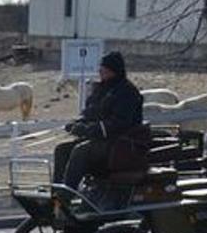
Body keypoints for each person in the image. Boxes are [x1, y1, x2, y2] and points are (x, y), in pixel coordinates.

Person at [53, 50, 144, 194]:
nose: (101, 73)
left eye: (105, 70)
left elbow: (120, 123)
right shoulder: (102, 89)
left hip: (118, 143)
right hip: (100, 140)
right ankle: (56, 191)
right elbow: (92, 112)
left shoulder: (127, 93)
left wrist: (90, 130)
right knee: (62, 149)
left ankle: (67, 194)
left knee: (81, 151)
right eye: (101, 69)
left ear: (115, 70)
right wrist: (78, 123)